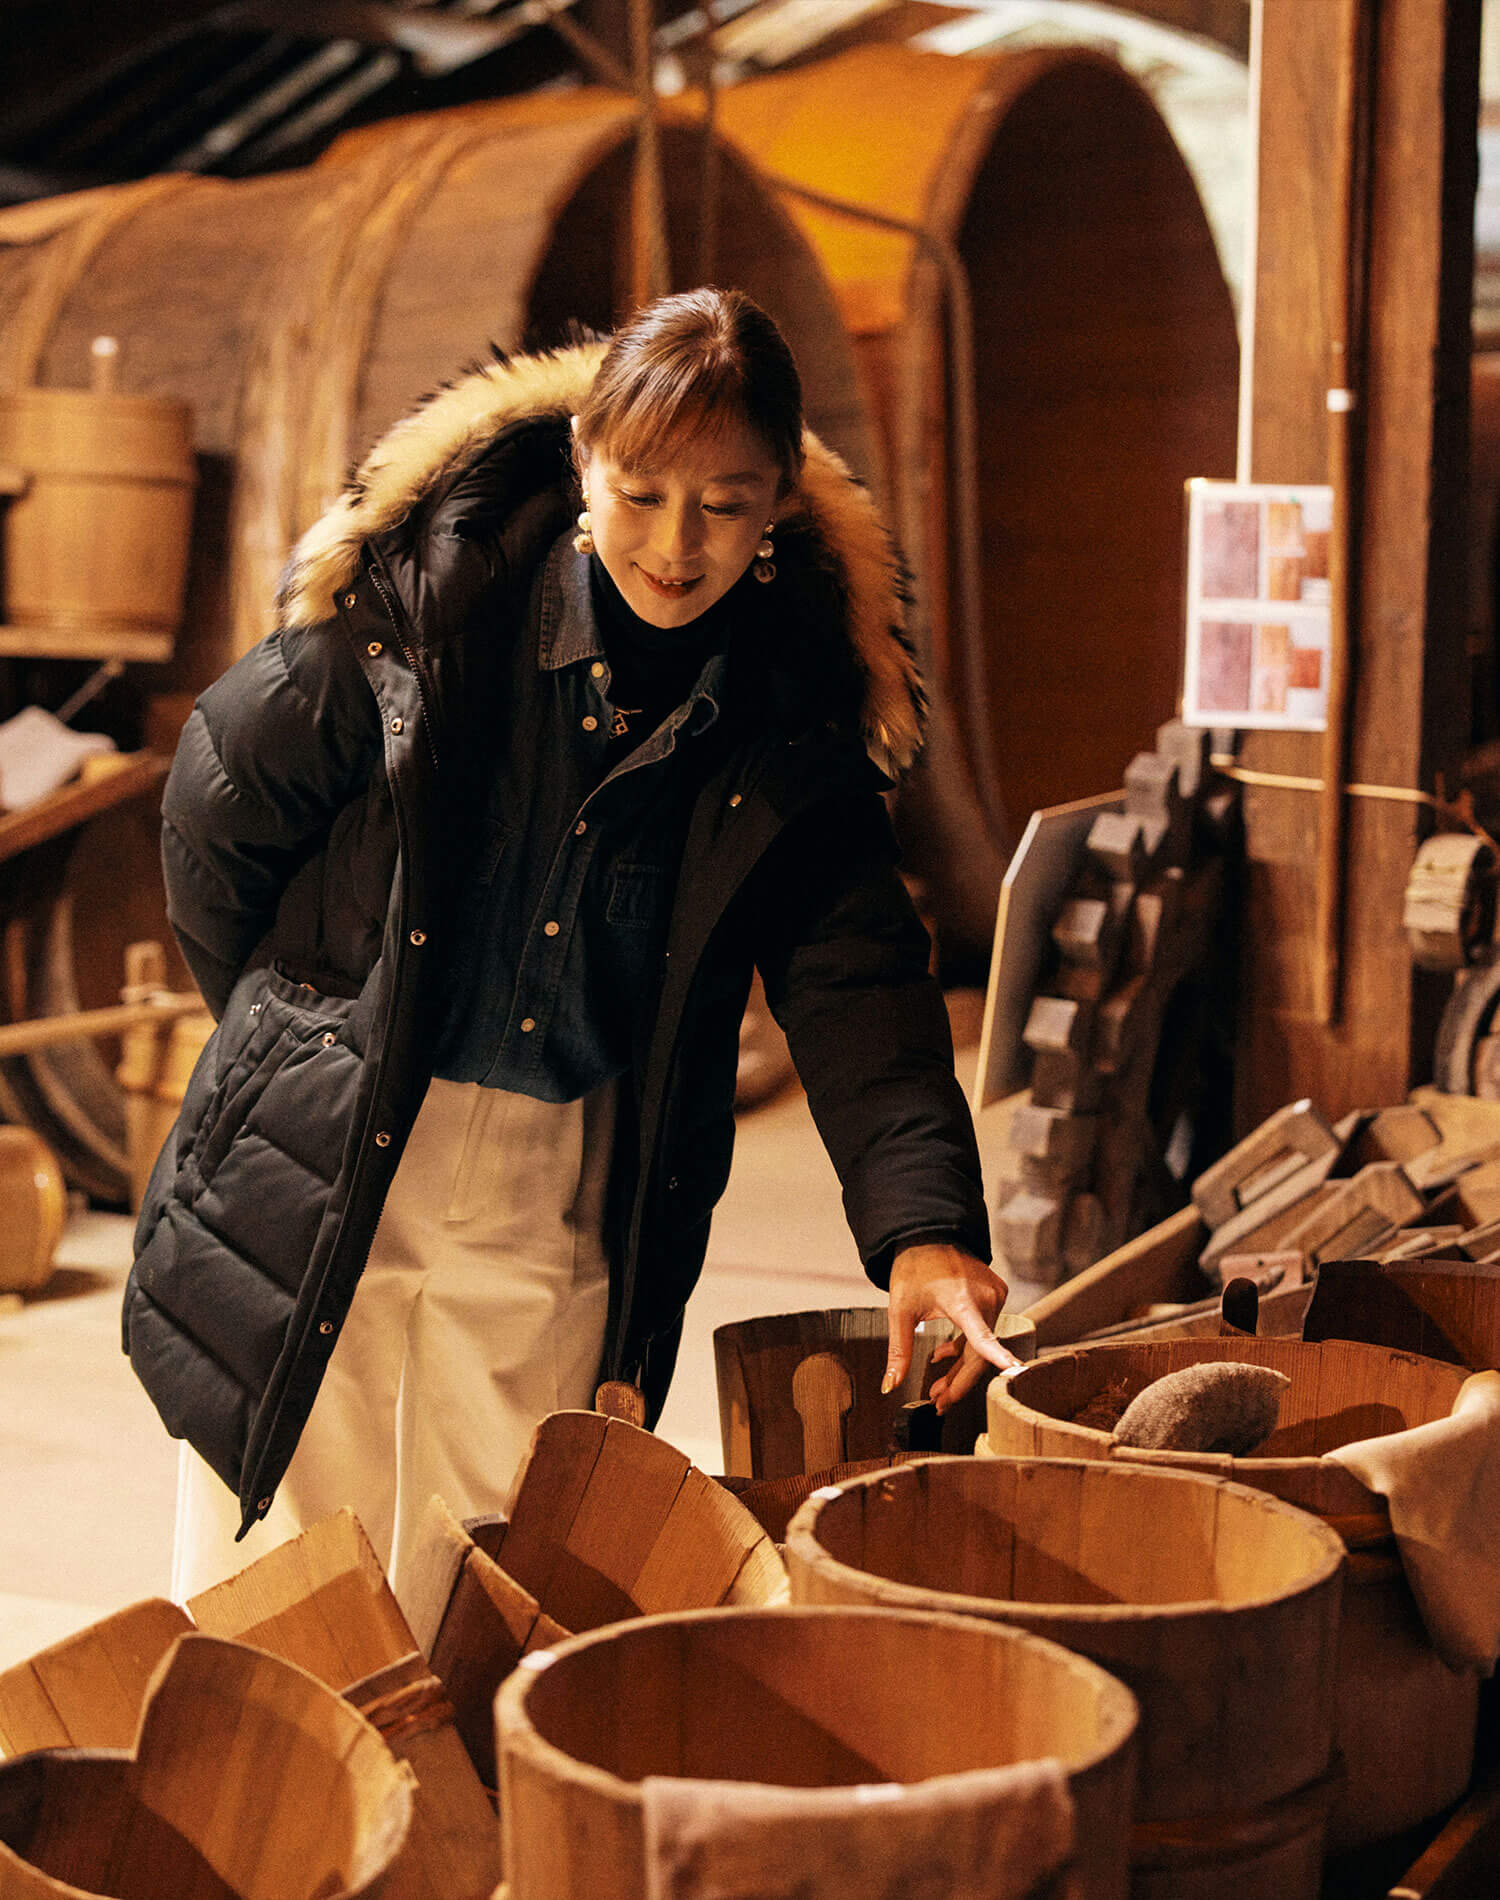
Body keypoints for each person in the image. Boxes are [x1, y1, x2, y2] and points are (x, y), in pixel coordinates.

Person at [124, 287, 1013, 1602]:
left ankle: (452, 1804)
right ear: (586, 460)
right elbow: (215, 813)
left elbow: (860, 991)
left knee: (493, 1562)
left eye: (725, 502)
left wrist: (925, 1232)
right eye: (644, 491)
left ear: (774, 509)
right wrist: (303, 1025)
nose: (675, 542)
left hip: (559, 1174)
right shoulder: (421, 620)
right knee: (285, 1574)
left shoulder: (787, 721)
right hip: (340, 1132)